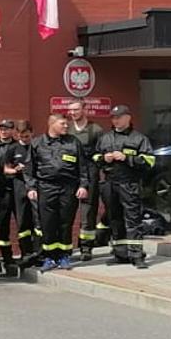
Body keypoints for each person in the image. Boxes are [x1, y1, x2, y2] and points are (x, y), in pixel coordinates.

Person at [28, 114, 92, 272]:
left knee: (65, 222)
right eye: (62, 123)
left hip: (68, 188)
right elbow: (29, 170)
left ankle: (64, 256)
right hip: (46, 188)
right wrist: (31, 188)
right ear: (52, 124)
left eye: (66, 124)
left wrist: (83, 185)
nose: (66, 126)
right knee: (48, 223)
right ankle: (49, 257)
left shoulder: (73, 142)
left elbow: (83, 167)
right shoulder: (37, 143)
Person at [95, 106, 155, 269]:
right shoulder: (106, 138)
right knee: (114, 218)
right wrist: (103, 158)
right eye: (113, 118)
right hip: (109, 183)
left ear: (128, 118)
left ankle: (136, 255)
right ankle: (120, 254)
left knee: (133, 219)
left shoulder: (139, 138)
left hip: (129, 183)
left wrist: (127, 158)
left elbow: (149, 161)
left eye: (119, 117)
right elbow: (94, 157)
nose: (115, 120)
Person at [0, 119, 34, 277]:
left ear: (13, 130)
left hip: (18, 189)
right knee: (1, 226)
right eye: (1, 129)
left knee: (23, 222)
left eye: (6, 129)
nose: (3, 131)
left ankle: (26, 254)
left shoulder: (18, 146)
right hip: (1, 192)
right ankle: (7, 259)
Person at [64, 100, 106, 261]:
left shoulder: (96, 130)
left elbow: (101, 152)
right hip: (70, 174)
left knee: (88, 213)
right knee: (67, 211)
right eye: (71, 110)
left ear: (85, 110)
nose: (73, 113)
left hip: (90, 174)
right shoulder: (67, 128)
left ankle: (86, 247)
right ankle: (67, 247)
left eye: (76, 109)